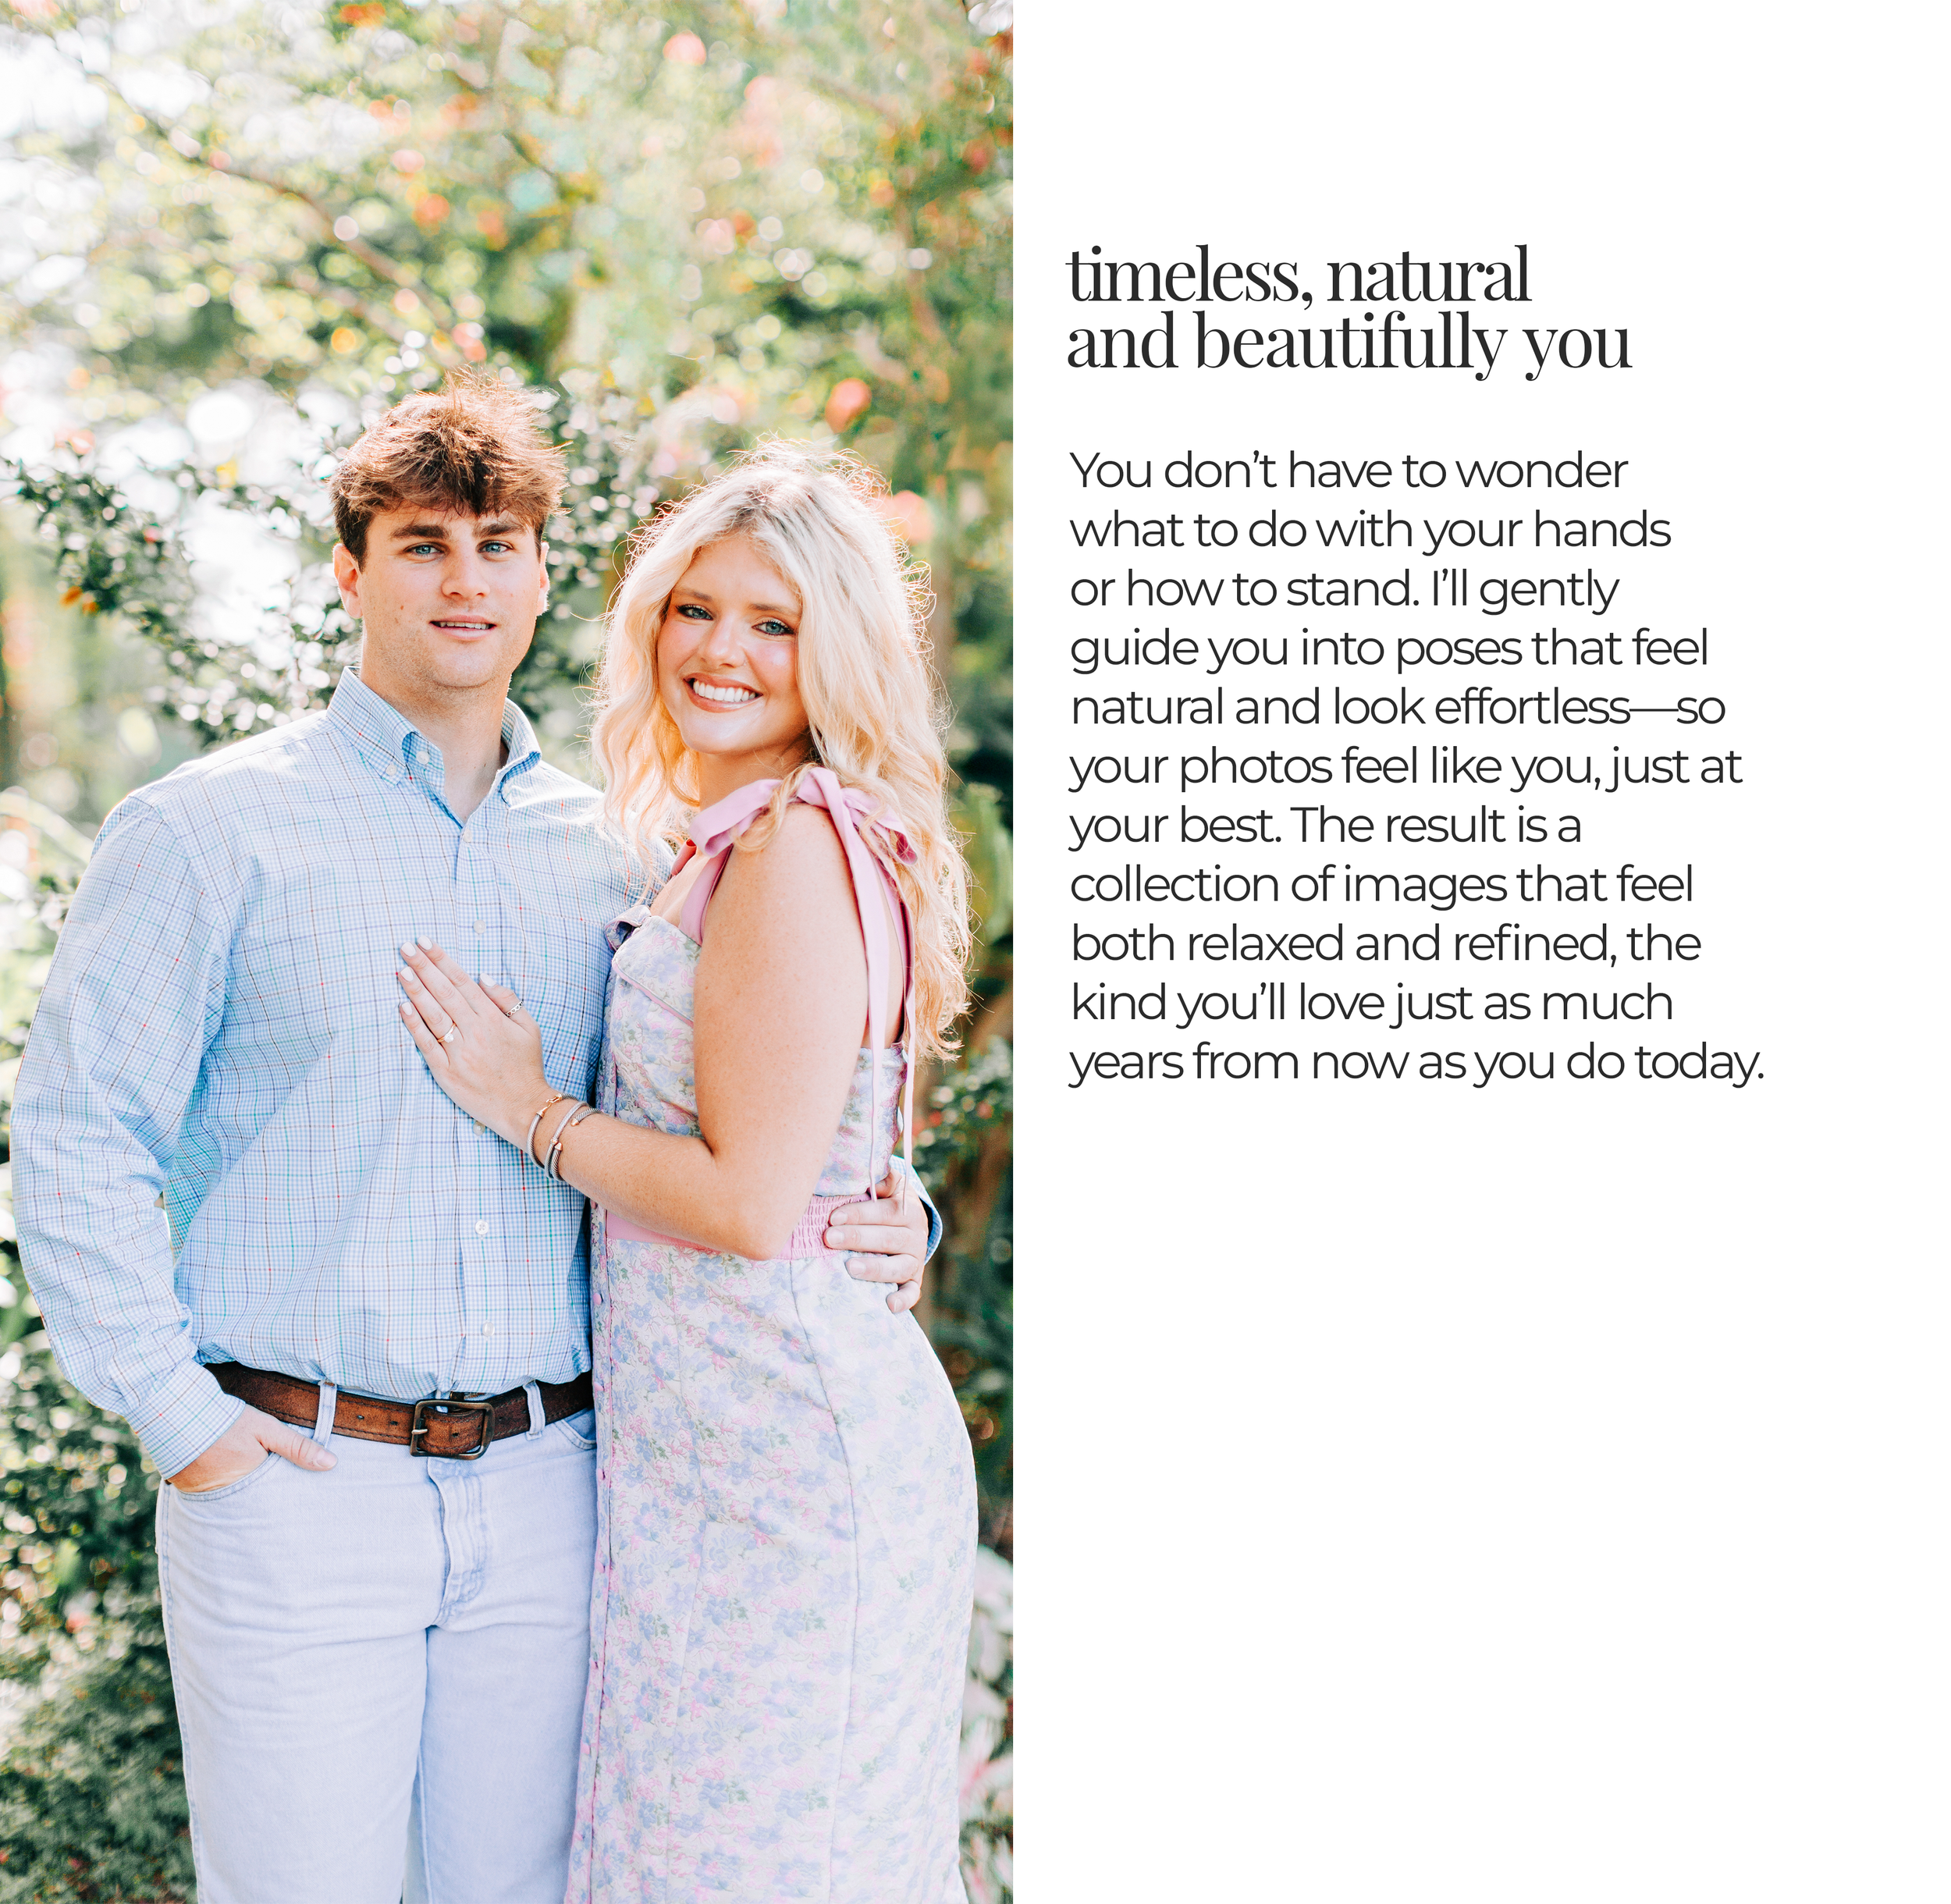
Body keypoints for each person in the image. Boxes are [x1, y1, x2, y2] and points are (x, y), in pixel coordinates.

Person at [10, 378, 933, 1904]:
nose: (465, 580)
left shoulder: (618, 852)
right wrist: (186, 1425)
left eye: (498, 544)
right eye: (422, 543)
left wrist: (891, 1208)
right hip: (299, 1478)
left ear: (545, 576)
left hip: (557, 1489)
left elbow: (740, 1100)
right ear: (349, 570)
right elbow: (75, 1141)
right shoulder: (206, 831)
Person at [392, 444, 976, 1903]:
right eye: (694, 610)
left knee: (765, 1866)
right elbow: (823, 1135)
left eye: (774, 623)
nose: (722, 650)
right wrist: (892, 1207)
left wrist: (529, 1110)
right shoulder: (721, 842)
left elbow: (748, 1203)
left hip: (785, 1461)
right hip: (709, 1451)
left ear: (836, 651)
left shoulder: (791, 847)